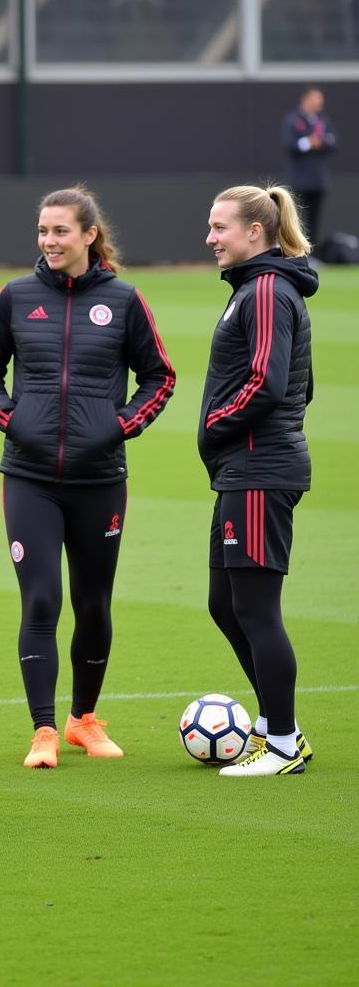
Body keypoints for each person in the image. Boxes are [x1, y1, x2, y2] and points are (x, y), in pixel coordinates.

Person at [0, 186, 175, 770]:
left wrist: (120, 426)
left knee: (93, 602)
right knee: (41, 600)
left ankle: (85, 720)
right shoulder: (16, 296)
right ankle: (44, 731)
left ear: (89, 235)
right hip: (29, 477)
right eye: (42, 231)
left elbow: (159, 377)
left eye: (60, 231)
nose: (49, 241)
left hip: (100, 478)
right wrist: (11, 419)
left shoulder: (125, 301)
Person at [201, 184, 317, 777]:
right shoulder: (256, 289)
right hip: (244, 470)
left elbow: (268, 384)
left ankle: (282, 742)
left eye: (221, 227)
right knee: (226, 604)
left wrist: (216, 425)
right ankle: (277, 727)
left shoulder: (268, 290)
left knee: (255, 610)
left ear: (255, 232)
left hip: (258, 471)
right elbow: (304, 386)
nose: (210, 238)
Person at [282, 86, 337, 245]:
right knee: (297, 217)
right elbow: (289, 144)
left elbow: (332, 142)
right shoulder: (292, 120)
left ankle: (313, 253)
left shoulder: (323, 120)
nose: (319, 102)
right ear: (305, 99)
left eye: (320, 99)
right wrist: (308, 142)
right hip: (299, 180)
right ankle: (296, 250)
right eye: (315, 98)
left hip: (318, 180)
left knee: (314, 219)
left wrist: (320, 142)